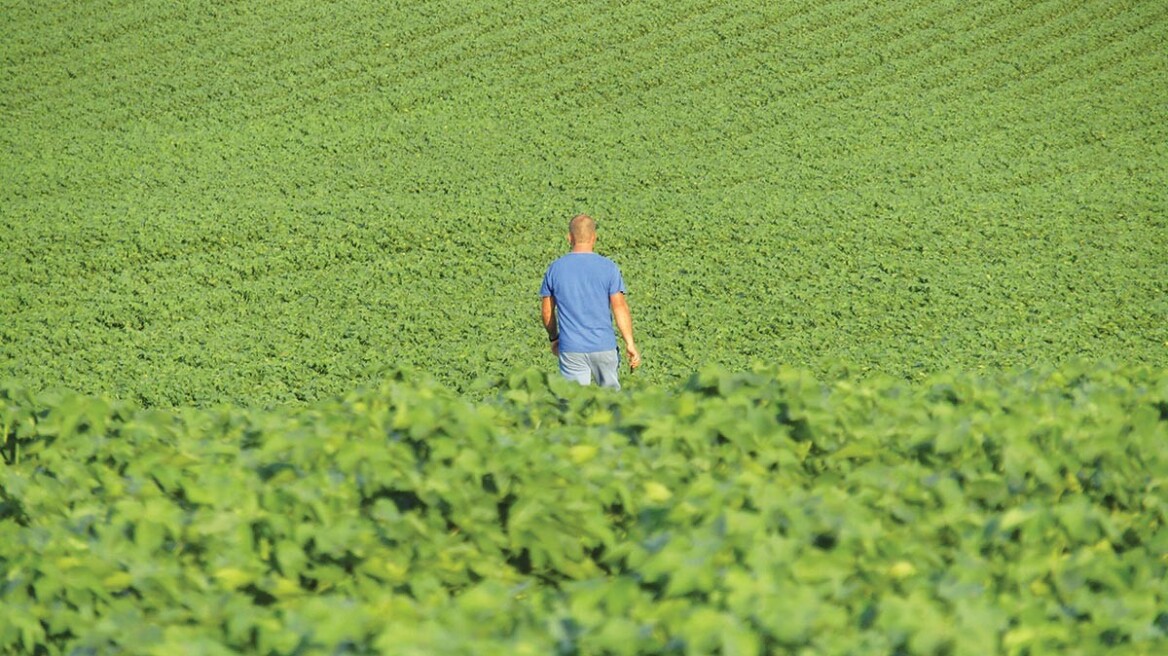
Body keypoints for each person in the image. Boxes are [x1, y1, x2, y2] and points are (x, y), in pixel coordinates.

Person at [540, 214, 641, 389]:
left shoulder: (555, 269)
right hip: (604, 346)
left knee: (573, 406)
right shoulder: (608, 267)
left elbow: (547, 312)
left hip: (572, 349)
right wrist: (629, 343)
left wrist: (554, 337)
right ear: (594, 237)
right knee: (611, 405)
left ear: (569, 237)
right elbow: (620, 308)